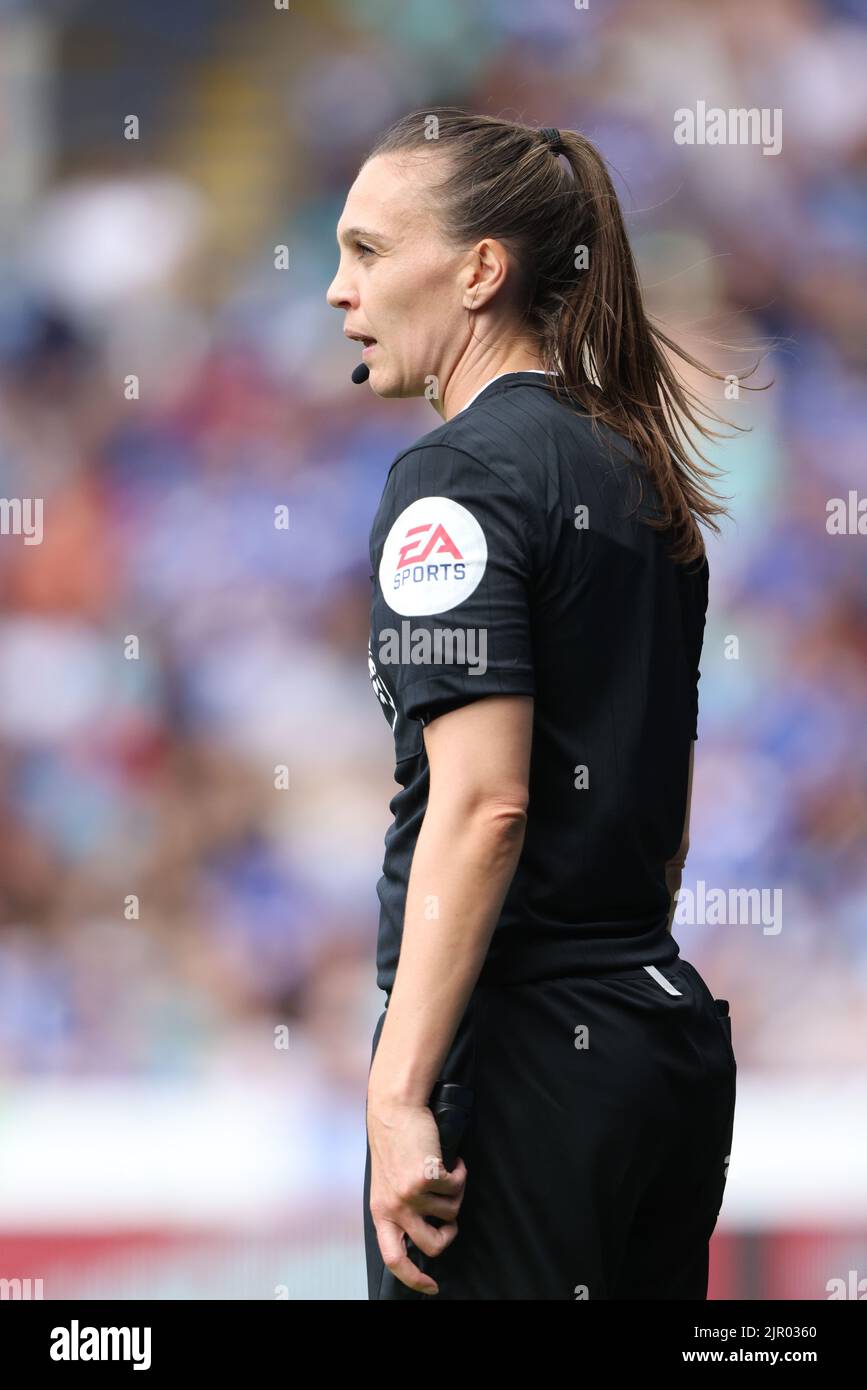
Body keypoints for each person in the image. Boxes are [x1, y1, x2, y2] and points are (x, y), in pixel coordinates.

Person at [326, 107, 739, 1300]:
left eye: (367, 251)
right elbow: (659, 823)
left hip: (520, 1066)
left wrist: (401, 1092)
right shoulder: (636, 466)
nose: (339, 291)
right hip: (655, 1038)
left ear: (478, 272)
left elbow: (486, 803)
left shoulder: (452, 478)